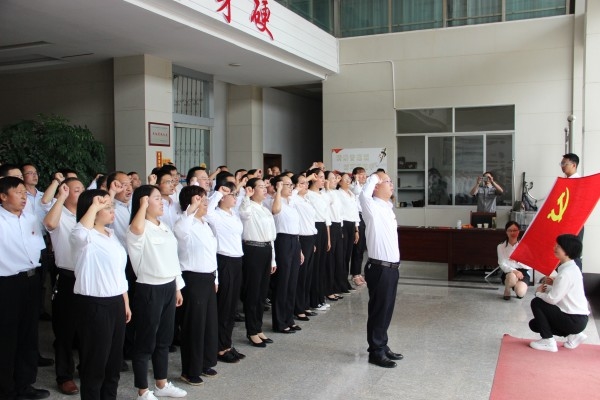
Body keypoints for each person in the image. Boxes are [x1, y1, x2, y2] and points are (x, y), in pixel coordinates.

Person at [127, 185, 187, 400]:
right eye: (156, 199)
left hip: (168, 286)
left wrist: (177, 286)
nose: (162, 202)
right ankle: (142, 390)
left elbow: (173, 259)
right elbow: (136, 230)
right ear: (143, 202)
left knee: (164, 339)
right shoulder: (138, 228)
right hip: (149, 288)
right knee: (145, 341)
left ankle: (161, 384)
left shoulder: (164, 226)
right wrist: (142, 206)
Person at [71, 189, 130, 400]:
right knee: (95, 363)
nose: (112, 210)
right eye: (107, 207)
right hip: (94, 305)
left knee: (113, 363)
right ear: (92, 210)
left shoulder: (111, 235)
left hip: (116, 302)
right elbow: (80, 233)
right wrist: (96, 204)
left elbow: (119, 273)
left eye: (112, 206)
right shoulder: (84, 238)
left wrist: (125, 302)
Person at [0, 176, 49, 400]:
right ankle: (6, 389)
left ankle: (25, 384)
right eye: (18, 192)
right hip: (7, 283)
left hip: (31, 280)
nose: (23, 197)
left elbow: (37, 249)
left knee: (29, 334)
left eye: (24, 193)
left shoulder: (30, 218)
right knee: (7, 336)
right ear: (3, 196)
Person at [43, 177, 85, 396]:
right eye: (76, 190)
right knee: (65, 330)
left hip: (88, 276)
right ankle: (64, 376)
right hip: (68, 276)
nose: (81, 192)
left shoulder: (88, 214)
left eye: (82, 189)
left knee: (88, 327)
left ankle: (86, 367)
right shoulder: (59, 212)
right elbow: (49, 224)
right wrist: (60, 197)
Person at [173, 186, 219, 385]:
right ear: (191, 202)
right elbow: (180, 232)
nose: (206, 203)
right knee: (194, 326)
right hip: (192, 279)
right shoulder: (184, 223)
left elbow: (211, 254)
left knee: (208, 324)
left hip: (208, 277)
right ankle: (190, 370)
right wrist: (191, 209)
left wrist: (215, 279)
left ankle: (205, 362)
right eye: (201, 200)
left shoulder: (205, 224)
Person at [360, 171, 403, 368]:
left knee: (387, 309)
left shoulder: (387, 207)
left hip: (392, 268)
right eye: (387, 181)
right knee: (379, 310)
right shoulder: (371, 206)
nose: (391, 184)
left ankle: (383, 345)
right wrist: (376, 176)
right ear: (376, 186)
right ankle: (375, 351)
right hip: (380, 267)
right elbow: (363, 195)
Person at [204, 181, 246, 363]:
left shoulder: (233, 214)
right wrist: (218, 193)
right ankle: (219, 347)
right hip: (224, 260)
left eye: (235, 194)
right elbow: (207, 211)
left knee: (232, 306)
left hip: (237, 260)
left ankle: (227, 343)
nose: (235, 197)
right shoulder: (215, 215)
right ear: (222, 198)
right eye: (232, 195)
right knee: (224, 305)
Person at [529, 234, 589, 352]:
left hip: (573, 320)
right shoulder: (572, 268)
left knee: (537, 302)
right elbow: (566, 289)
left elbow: (552, 299)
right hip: (578, 319)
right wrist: (554, 283)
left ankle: (548, 341)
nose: (555, 248)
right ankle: (573, 335)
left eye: (559, 246)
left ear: (567, 250)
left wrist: (538, 293)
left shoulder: (566, 273)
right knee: (535, 324)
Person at [239, 178, 277, 341]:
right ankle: (251, 331)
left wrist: (273, 259)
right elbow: (244, 214)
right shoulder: (247, 206)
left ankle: (258, 327)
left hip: (266, 249)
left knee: (262, 292)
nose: (264, 189)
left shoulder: (265, 209)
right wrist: (246, 197)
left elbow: (271, 237)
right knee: (253, 292)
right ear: (251, 190)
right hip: (253, 250)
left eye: (264, 186)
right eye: (260, 187)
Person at [270, 175, 303, 334]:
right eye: (287, 185)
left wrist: (300, 249)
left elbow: (296, 227)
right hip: (282, 241)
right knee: (282, 282)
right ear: (279, 185)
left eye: (291, 185)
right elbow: (275, 211)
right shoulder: (275, 201)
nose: (291, 187)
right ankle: (279, 322)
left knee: (292, 282)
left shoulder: (291, 202)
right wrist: (278, 191)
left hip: (294, 241)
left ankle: (289, 318)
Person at [560, 152, 584, 270]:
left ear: (574, 165)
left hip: (575, 223)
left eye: (565, 163)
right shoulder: (565, 182)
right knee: (563, 252)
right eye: (561, 163)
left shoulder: (580, 183)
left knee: (573, 253)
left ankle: (577, 279)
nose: (562, 166)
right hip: (564, 222)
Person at [497, 221, 531, 300]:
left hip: (523, 272)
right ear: (506, 232)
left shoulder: (524, 246)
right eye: (510, 230)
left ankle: (516, 286)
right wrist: (515, 271)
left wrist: (517, 260)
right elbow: (502, 264)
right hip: (509, 272)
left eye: (515, 230)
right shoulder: (501, 246)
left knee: (520, 293)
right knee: (511, 277)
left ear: (518, 231)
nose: (512, 232)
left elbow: (529, 264)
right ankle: (507, 289)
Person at [350, 167, 367, 286]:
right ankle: (355, 274)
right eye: (360, 174)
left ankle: (358, 272)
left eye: (365, 174)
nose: (364, 176)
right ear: (355, 175)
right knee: (357, 247)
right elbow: (356, 192)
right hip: (356, 218)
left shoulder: (363, 187)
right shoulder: (352, 186)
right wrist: (355, 180)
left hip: (363, 217)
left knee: (361, 248)